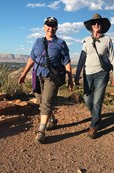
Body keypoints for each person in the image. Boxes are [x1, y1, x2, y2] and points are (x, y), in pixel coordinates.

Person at [18, 16, 74, 144]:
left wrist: (70, 79)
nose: (51, 28)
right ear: (44, 27)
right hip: (37, 74)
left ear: (57, 27)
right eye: (48, 25)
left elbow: (67, 62)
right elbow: (32, 58)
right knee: (41, 99)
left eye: (53, 25)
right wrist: (23, 74)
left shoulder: (60, 43)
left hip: (52, 77)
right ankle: (52, 120)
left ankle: (41, 131)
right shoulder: (38, 42)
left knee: (47, 101)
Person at [74, 13, 114, 139]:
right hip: (88, 74)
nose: (97, 25)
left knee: (97, 100)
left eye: (99, 23)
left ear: (102, 25)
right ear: (91, 26)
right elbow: (82, 58)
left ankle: (94, 126)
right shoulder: (86, 41)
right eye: (94, 23)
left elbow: (112, 58)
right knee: (88, 101)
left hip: (102, 74)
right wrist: (77, 75)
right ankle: (96, 117)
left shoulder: (107, 39)